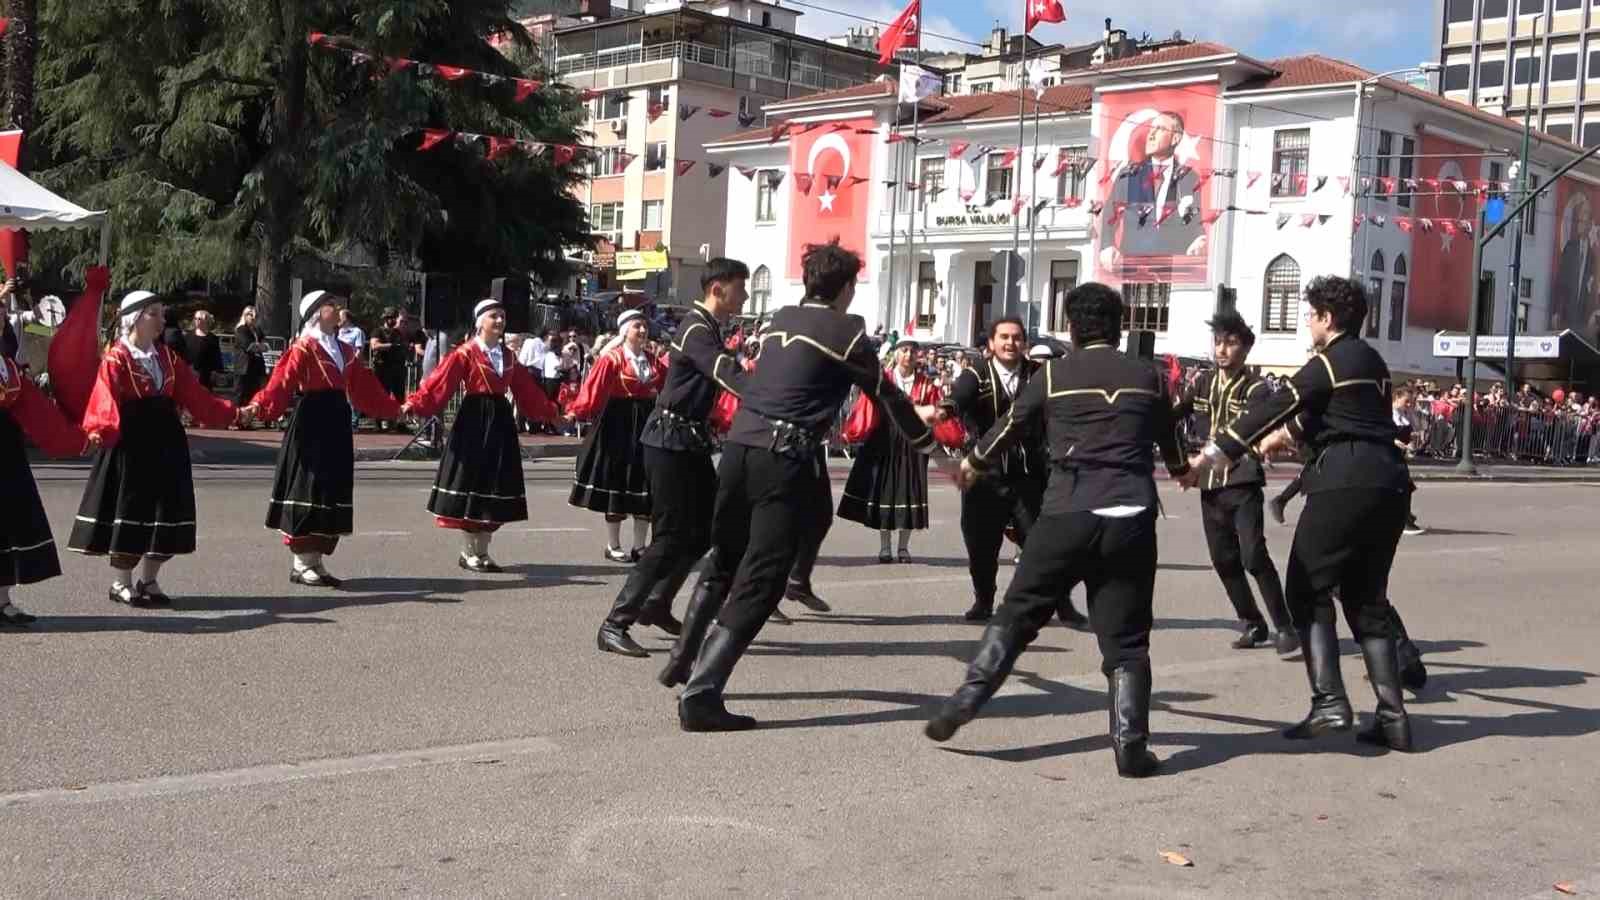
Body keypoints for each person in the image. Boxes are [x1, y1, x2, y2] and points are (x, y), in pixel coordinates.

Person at [664, 240, 946, 731]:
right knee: (762, 578)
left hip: (739, 448)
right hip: (783, 456)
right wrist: (933, 449)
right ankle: (701, 695)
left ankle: (683, 658)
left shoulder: (779, 320)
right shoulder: (848, 330)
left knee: (725, 557)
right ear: (847, 288)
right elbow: (888, 396)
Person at [925, 282, 1192, 778]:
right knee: (1128, 637)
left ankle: (967, 698)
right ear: (1119, 326)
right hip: (1131, 516)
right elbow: (1172, 448)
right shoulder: (1149, 377)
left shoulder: (1054, 376)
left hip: (1067, 510)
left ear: (1072, 327)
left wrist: (973, 463)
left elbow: (1009, 426)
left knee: (1019, 612)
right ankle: (1131, 746)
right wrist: (1183, 472)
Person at [1185, 275, 1416, 752]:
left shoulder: (1328, 362)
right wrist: (1283, 437)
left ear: (1327, 319)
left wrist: (1215, 453)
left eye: (1311, 314)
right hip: (1390, 484)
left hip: (1346, 481)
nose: (1308, 322)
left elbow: (1277, 403)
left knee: (1306, 590)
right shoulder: (1372, 362)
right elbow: (1316, 419)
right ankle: (1393, 718)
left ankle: (1329, 702)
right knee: (1365, 596)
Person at [598, 259, 752, 658]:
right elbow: (728, 374)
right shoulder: (697, 329)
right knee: (668, 538)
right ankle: (615, 624)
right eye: (741, 287)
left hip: (688, 441)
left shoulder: (709, 327)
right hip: (668, 441)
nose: (746, 296)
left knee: (703, 531)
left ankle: (658, 602)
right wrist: (774, 396)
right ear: (718, 288)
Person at [69, 291, 244, 605]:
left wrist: (232, 413)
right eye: (154, 313)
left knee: (167, 506)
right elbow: (103, 397)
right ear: (134, 318)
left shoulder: (167, 358)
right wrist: (98, 429)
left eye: (162, 313)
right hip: (131, 442)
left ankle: (149, 580)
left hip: (167, 440)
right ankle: (121, 582)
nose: (162, 320)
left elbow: (196, 396)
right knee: (131, 506)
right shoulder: (117, 357)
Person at [245, 291, 403, 587]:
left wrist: (395, 409)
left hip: (337, 419)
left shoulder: (344, 350)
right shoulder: (304, 347)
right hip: (312, 418)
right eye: (331, 305)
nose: (338, 308)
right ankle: (301, 561)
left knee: (331, 484)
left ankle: (315, 560)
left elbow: (365, 388)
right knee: (310, 483)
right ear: (317, 313)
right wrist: (259, 405)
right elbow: (282, 381)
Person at [944, 318, 1086, 628]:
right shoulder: (977, 373)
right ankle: (983, 600)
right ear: (991, 343)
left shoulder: (1039, 374)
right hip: (984, 475)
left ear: (1024, 343)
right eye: (1004, 337)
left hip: (1029, 474)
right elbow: (958, 398)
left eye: (1017, 337)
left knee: (1043, 543)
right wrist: (945, 409)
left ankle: (1062, 604)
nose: (1010, 342)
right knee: (981, 543)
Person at [402, 299, 560, 572]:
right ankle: (468, 551)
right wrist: (414, 404)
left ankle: (483, 551)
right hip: (473, 419)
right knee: (472, 483)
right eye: (493, 316)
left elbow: (528, 391)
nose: (499, 321)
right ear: (480, 323)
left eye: (502, 316)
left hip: (500, 421)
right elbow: (439, 383)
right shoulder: (465, 353)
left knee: (493, 484)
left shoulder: (509, 357)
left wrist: (551, 412)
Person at [1172, 311, 1297, 656]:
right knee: (1223, 559)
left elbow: (1245, 431)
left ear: (1245, 348)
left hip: (1242, 480)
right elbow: (1176, 414)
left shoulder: (1257, 388)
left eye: (1231, 343)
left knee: (1253, 554)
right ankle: (1253, 623)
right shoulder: (1201, 382)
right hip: (1209, 483)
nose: (1222, 349)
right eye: (1218, 342)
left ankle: (1284, 625)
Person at [0, 351, 96, 625]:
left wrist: (78, 441)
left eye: (3, 310)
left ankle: (2, 601)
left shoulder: (8, 367)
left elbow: (39, 413)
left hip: (7, 453)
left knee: (8, 525)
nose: (1, 315)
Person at [837, 339, 950, 563]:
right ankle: (885, 547)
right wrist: (854, 431)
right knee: (885, 493)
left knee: (909, 493)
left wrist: (949, 435)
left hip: (913, 443)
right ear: (896, 354)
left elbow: (938, 413)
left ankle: (903, 548)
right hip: (884, 440)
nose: (908, 354)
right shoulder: (884, 379)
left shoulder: (926, 384)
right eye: (904, 350)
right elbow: (865, 404)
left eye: (912, 351)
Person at [567, 309, 666, 562]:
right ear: (625, 331)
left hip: (645, 422)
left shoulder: (653, 361)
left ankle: (640, 546)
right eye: (637, 326)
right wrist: (575, 412)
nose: (642, 331)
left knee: (644, 482)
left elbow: (667, 387)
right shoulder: (612, 359)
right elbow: (593, 390)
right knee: (617, 481)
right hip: (617, 423)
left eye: (644, 326)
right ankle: (613, 544)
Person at [369, 308, 409, 432]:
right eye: (390, 317)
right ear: (386, 319)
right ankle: (378, 423)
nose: (392, 320)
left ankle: (399, 423)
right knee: (381, 396)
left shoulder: (398, 333)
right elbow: (374, 345)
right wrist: (391, 346)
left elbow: (403, 347)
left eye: (394, 317)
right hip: (382, 368)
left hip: (397, 368)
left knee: (400, 397)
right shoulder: (378, 331)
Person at [233, 307, 269, 414]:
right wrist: (259, 346)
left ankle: (248, 419)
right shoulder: (241, 329)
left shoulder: (257, 330)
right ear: (244, 315)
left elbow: (266, 346)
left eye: (255, 315)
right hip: (243, 367)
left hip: (256, 366)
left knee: (253, 394)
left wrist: (259, 346)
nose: (253, 317)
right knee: (240, 394)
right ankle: (235, 418)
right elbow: (248, 346)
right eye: (250, 314)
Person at [184, 310, 225, 393]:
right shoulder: (188, 336)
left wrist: (216, 372)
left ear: (206, 321)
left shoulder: (212, 338)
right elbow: (183, 354)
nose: (197, 321)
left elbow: (216, 356)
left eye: (199, 319)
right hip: (189, 373)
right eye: (195, 318)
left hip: (205, 375)